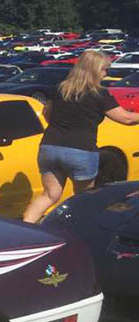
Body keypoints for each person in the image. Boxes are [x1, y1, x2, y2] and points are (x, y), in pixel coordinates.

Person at [22, 51, 139, 223]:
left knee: (49, 194)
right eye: (105, 69)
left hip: (49, 147)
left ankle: (27, 229)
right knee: (84, 198)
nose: (106, 73)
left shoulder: (61, 88)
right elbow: (126, 119)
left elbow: (47, 114)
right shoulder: (99, 93)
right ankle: (79, 236)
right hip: (80, 150)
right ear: (95, 70)